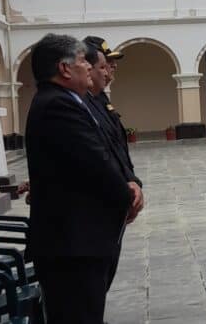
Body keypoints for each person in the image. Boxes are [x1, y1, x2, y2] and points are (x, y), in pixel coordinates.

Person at [25, 34, 134, 322]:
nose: (90, 66)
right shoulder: (59, 105)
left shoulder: (68, 101)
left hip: (78, 240)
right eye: (83, 60)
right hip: (72, 244)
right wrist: (127, 196)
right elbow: (96, 162)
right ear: (64, 68)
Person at [82, 37, 145, 293]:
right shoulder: (82, 105)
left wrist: (134, 183)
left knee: (103, 277)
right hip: (97, 210)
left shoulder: (99, 102)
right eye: (106, 65)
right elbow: (99, 156)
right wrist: (125, 189)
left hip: (113, 203)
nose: (111, 71)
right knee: (91, 284)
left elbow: (118, 152)